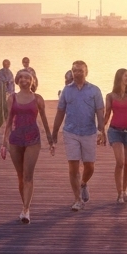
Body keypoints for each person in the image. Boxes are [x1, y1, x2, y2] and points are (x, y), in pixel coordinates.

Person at [0, 68, 54, 223]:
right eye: (21, 77)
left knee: (28, 175)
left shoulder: (38, 99)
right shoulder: (12, 98)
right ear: (17, 80)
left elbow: (44, 120)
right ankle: (25, 205)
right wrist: (4, 144)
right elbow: (9, 122)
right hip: (15, 140)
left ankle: (26, 210)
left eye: (27, 78)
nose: (24, 80)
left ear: (33, 81)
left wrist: (50, 141)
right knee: (21, 177)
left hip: (33, 139)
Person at [52, 60, 105, 212]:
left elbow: (100, 111)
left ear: (86, 72)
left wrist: (102, 130)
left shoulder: (95, 90)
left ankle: (83, 183)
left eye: (80, 70)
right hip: (70, 132)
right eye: (74, 70)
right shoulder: (67, 90)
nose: (77, 73)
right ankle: (77, 199)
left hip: (89, 132)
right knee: (73, 166)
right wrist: (54, 132)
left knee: (90, 166)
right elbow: (60, 112)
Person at [103, 69, 127, 204]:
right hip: (115, 131)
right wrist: (101, 131)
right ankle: (119, 193)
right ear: (119, 77)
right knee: (120, 162)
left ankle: (125, 191)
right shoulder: (110, 96)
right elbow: (107, 115)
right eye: (126, 75)